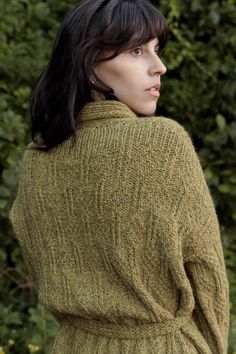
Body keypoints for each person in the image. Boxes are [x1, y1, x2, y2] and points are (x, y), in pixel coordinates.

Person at [9, 0, 230, 353]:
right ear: (88, 62)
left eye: (156, 50)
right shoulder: (162, 142)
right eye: (137, 51)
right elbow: (208, 275)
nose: (160, 67)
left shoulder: (38, 158)